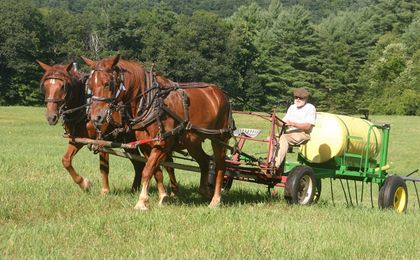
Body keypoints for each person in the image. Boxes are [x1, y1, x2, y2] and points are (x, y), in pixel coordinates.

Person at [275, 87, 316, 167]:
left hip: (302, 134)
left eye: (300, 98)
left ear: (306, 98)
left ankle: (275, 165)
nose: (298, 99)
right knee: (272, 138)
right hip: (289, 133)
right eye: (296, 97)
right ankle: (269, 161)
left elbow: (307, 126)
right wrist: (276, 121)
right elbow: (283, 123)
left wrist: (293, 124)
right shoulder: (292, 107)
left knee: (283, 137)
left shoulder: (310, 108)